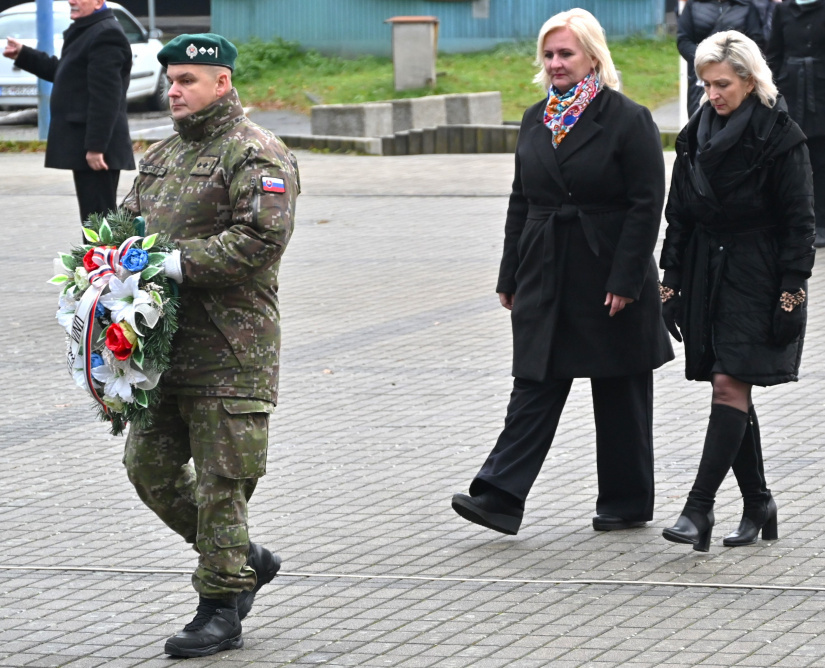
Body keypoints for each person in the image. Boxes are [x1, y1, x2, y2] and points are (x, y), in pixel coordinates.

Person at [451, 8, 673, 537]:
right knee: (535, 379)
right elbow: (520, 199)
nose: (555, 63)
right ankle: (500, 496)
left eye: (565, 53)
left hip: (605, 270)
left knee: (620, 387)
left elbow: (647, 204)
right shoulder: (534, 119)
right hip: (545, 269)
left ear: (592, 56)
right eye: (548, 54)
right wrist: (509, 274)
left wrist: (625, 279)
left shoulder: (628, 117)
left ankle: (625, 501)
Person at [120, 33, 300, 657]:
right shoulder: (162, 155)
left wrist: (169, 265)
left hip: (231, 350)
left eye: (187, 81)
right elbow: (123, 230)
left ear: (221, 83)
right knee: (147, 469)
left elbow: (259, 240)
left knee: (223, 483)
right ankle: (241, 556)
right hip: (162, 352)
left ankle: (220, 607)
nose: (173, 90)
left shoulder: (257, 154)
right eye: (170, 80)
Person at [659, 30, 814, 552]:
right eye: (705, 85)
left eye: (722, 83)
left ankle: (697, 510)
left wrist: (791, 295)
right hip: (707, 270)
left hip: (760, 274)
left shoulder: (780, 136)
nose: (712, 94)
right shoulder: (693, 135)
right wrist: (670, 283)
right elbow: (677, 214)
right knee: (730, 388)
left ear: (750, 80)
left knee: (730, 384)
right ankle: (759, 501)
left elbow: (800, 224)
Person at [3, 0, 134, 225]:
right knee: (95, 222)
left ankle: (100, 261)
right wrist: (24, 54)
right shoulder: (88, 29)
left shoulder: (105, 34)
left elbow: (106, 98)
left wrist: (96, 147)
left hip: (97, 152)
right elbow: (65, 73)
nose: (71, 1)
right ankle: (93, 260)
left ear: (98, 2)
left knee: (99, 225)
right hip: (88, 146)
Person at [767, 0, 825, 247]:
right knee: (791, 159)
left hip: (821, 92)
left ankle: (821, 223)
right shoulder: (783, 9)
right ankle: (793, 222)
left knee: (821, 161)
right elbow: (774, 53)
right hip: (791, 91)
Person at [678, 0, 766, 117]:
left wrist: (732, 60)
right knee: (699, 118)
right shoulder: (693, 5)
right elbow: (683, 41)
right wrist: (705, 59)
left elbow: (756, 42)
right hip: (700, 75)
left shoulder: (745, 6)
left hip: (735, 73)